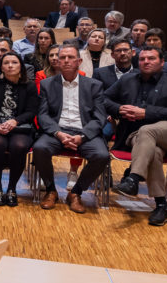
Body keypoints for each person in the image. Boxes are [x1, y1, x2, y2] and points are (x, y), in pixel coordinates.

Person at [107, 46, 167, 225]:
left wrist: (146, 113)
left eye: (151, 58)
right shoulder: (127, 79)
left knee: (148, 130)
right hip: (135, 136)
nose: (146, 62)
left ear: (162, 62)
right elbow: (103, 99)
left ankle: (133, 178)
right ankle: (162, 205)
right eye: (142, 59)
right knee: (152, 149)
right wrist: (118, 109)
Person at [33, 44, 112, 213]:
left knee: (102, 155)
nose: (66, 61)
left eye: (70, 57)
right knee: (40, 148)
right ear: (58, 62)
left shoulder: (94, 85)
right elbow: (43, 115)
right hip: (57, 131)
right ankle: (50, 190)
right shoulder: (47, 84)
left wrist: (82, 136)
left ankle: (76, 193)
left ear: (79, 61)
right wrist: (59, 133)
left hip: (84, 132)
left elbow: (99, 117)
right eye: (62, 58)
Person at [0, 51, 38, 207]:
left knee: (19, 146)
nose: (10, 66)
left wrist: (15, 121)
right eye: (6, 63)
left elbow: (32, 111)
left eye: (14, 62)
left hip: (20, 127)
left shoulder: (30, 85)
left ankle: (12, 188)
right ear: (1, 67)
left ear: (21, 66)